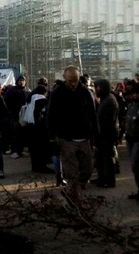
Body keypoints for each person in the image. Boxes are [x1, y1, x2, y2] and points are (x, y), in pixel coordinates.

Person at [47, 66, 99, 205]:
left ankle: (75, 189)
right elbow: (51, 116)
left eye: (75, 80)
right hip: (66, 138)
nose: (73, 84)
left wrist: (96, 134)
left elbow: (93, 115)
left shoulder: (86, 93)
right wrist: (51, 137)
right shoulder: (58, 93)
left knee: (87, 170)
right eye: (70, 81)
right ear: (65, 78)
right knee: (71, 173)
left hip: (84, 137)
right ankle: (74, 199)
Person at [92, 79, 119, 188]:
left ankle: (109, 180)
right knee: (100, 158)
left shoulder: (110, 101)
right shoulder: (105, 99)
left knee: (107, 158)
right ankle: (101, 178)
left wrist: (99, 133)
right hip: (102, 134)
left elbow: (107, 121)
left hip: (107, 134)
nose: (96, 90)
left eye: (98, 88)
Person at [25, 85, 52, 174]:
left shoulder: (30, 99)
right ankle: (42, 166)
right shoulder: (43, 100)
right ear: (45, 92)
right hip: (40, 128)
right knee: (41, 147)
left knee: (33, 148)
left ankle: (35, 166)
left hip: (29, 126)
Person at [3, 75, 30, 158]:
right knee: (15, 133)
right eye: (20, 80)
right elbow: (6, 101)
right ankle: (15, 150)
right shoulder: (12, 90)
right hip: (14, 115)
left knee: (22, 134)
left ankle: (20, 150)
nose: (22, 82)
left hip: (24, 115)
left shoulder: (27, 91)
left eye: (23, 80)